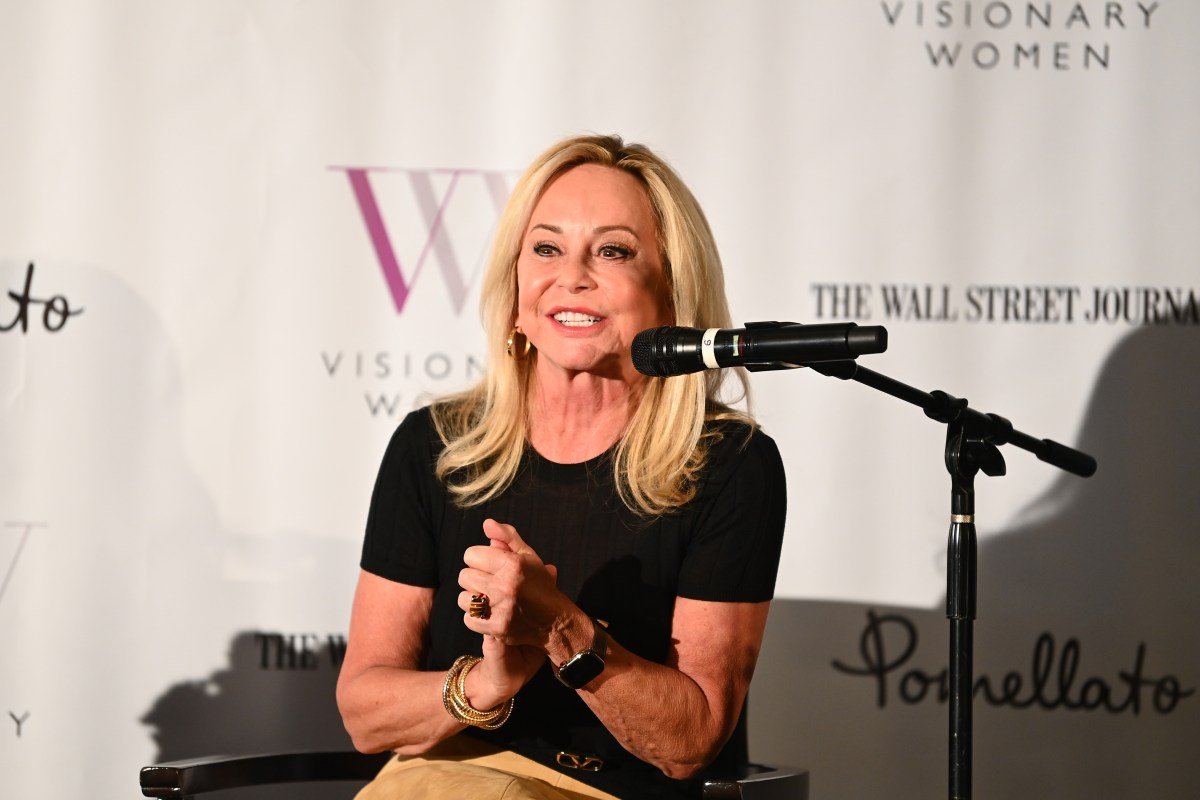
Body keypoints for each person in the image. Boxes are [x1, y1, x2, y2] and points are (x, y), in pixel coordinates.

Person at [336, 134, 787, 800]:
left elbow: (690, 743)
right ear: (517, 287)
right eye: (546, 248)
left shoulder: (730, 466)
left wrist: (560, 629)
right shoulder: (433, 446)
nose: (572, 276)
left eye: (613, 251)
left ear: (672, 292)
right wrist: (486, 684)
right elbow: (365, 715)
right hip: (437, 780)